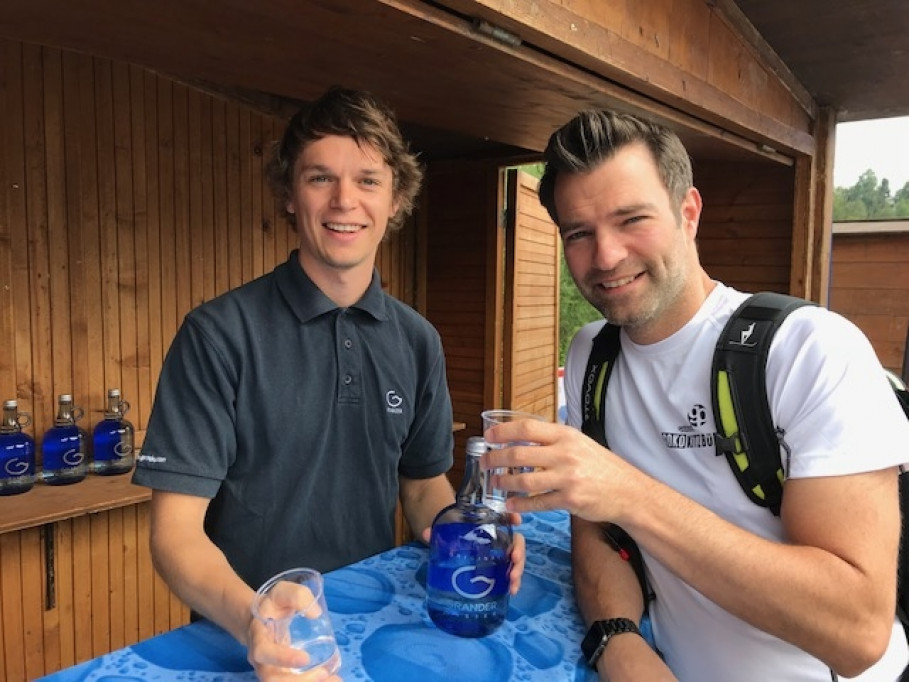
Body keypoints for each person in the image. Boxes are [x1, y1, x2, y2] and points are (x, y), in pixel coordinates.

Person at [482, 109, 909, 681]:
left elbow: (858, 634)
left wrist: (627, 492)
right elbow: (596, 528)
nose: (606, 256)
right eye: (579, 233)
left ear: (689, 212)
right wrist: (617, 639)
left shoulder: (810, 351)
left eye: (632, 219)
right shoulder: (593, 356)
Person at [133, 86, 525, 680]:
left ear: (396, 199)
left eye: (368, 180)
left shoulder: (418, 341)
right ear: (290, 195)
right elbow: (174, 536)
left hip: (375, 628)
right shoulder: (217, 334)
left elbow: (423, 490)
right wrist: (255, 621)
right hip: (239, 642)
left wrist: (467, 539)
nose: (345, 200)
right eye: (321, 178)